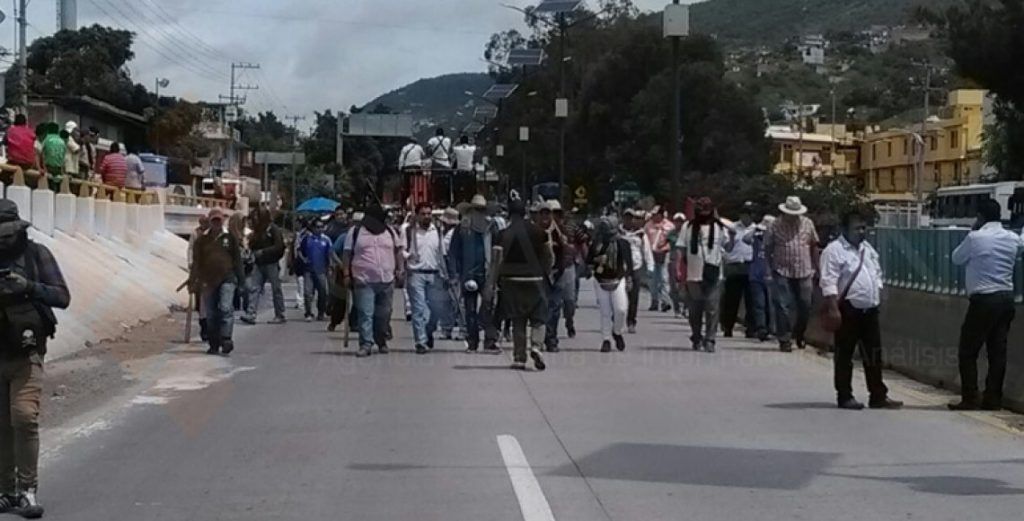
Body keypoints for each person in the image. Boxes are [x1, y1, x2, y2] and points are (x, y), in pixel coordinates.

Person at [0, 200, 70, 519]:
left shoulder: (36, 255)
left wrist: (29, 286)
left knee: (24, 417)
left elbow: (62, 296)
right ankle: (7, 491)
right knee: (2, 425)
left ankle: (28, 489)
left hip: (26, 353)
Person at [819, 211, 903, 411]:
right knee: (845, 355)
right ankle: (845, 395)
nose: (861, 231)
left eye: (864, 227)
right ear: (844, 229)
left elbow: (876, 273)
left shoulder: (867, 249)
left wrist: (879, 294)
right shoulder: (834, 250)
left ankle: (878, 395)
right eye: (857, 228)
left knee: (873, 355)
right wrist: (833, 309)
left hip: (869, 310)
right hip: (848, 309)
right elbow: (828, 281)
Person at [949, 199, 1024, 411]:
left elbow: (956, 258)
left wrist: (974, 231)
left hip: (983, 301)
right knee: (997, 352)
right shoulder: (1012, 238)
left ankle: (970, 398)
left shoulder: (975, 237)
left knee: (968, 351)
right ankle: (993, 399)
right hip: (1006, 299)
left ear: (980, 217)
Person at [493, 199, 551, 371]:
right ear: (525, 212)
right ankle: (536, 346)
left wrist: (494, 282)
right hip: (535, 281)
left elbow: (496, 260)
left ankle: (519, 357)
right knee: (538, 318)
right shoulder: (539, 232)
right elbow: (548, 256)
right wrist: (545, 273)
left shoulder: (503, 234)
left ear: (509, 214)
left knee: (518, 319)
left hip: (511, 282)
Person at [343, 204, 403, 357]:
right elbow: (347, 254)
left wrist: (400, 269)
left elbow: (398, 250)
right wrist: (346, 274)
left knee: (384, 314)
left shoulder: (389, 231)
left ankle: (381, 340)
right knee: (365, 313)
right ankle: (366, 344)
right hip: (363, 279)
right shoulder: (355, 232)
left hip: (387, 279)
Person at [765, 196, 820, 352]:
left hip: (804, 270)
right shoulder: (774, 225)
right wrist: (768, 269)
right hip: (782, 269)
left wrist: (818, 268)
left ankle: (799, 333)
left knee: (805, 305)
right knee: (782, 306)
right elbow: (768, 248)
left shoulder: (807, 223)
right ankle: (784, 338)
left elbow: (814, 245)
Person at [677, 197, 730, 353]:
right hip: (694, 274)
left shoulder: (719, 227)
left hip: (714, 274)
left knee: (712, 308)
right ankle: (696, 335)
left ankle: (710, 339)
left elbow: (728, 244)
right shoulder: (688, 226)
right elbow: (680, 248)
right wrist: (679, 269)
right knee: (695, 310)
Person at [449, 195, 500, 354]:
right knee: (470, 309)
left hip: (487, 273)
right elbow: (453, 252)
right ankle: (472, 341)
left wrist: (497, 272)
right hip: (468, 274)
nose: (478, 213)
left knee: (489, 307)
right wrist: (454, 274)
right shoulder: (462, 228)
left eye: (481, 210)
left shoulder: (492, 227)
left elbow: (498, 250)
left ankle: (490, 340)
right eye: (476, 210)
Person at [193, 208, 243, 356]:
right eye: (213, 220)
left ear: (222, 221)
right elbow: (197, 262)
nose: (216, 223)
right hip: (208, 281)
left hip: (227, 278)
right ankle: (214, 343)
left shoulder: (230, 238)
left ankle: (226, 339)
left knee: (226, 308)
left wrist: (241, 281)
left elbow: (237, 260)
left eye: (218, 220)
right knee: (211, 313)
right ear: (209, 221)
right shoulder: (202, 240)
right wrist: (193, 281)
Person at [405, 202, 446, 354]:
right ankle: (420, 342)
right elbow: (401, 249)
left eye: (429, 213)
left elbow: (441, 252)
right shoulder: (409, 231)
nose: (427, 216)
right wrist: (408, 256)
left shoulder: (438, 231)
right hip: (416, 274)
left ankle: (428, 331)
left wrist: (445, 272)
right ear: (417, 215)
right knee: (418, 310)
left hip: (434, 274)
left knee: (436, 310)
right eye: (423, 214)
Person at [588, 218, 633, 352]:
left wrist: (629, 278)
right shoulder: (597, 243)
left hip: (618, 279)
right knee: (605, 311)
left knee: (621, 309)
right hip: (601, 279)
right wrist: (597, 259)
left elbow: (628, 263)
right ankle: (606, 339)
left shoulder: (623, 243)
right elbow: (588, 260)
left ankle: (617, 331)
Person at [244, 208, 287, 324]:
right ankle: (251, 314)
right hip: (259, 263)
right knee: (254, 289)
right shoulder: (258, 231)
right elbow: (253, 246)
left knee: (276, 289)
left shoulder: (273, 229)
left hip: (271, 263)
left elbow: (279, 246)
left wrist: (263, 251)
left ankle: (280, 314)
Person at [539, 200, 571, 353]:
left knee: (555, 308)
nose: (546, 216)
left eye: (549, 213)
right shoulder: (535, 231)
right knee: (541, 308)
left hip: (557, 274)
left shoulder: (560, 231)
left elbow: (566, 252)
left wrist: (559, 270)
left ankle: (551, 339)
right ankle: (539, 339)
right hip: (540, 275)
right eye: (543, 213)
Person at [720, 202, 756, 338]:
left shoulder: (757, 229)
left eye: (750, 213)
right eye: (745, 213)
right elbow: (726, 247)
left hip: (749, 265)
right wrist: (731, 237)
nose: (747, 216)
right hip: (734, 265)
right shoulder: (732, 227)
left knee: (751, 300)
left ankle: (751, 328)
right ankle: (728, 326)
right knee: (731, 299)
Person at [621, 209, 654, 334]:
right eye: (627, 218)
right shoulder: (618, 232)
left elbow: (647, 251)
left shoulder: (640, 234)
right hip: (621, 268)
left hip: (636, 267)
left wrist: (650, 266)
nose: (629, 220)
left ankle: (631, 321)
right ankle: (617, 320)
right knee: (619, 296)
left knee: (633, 297)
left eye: (632, 218)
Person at [744, 215, 775, 341]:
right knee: (759, 304)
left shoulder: (775, 240)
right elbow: (745, 239)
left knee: (771, 305)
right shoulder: (756, 238)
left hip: (771, 276)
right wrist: (756, 228)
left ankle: (770, 328)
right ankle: (761, 328)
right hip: (756, 275)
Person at [299, 220, 332, 322]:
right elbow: (300, 250)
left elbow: (330, 253)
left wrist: (330, 266)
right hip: (308, 270)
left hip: (321, 270)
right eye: (317, 227)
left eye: (321, 227)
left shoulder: (326, 240)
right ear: (313, 228)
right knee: (307, 292)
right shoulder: (307, 239)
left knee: (323, 293)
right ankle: (308, 313)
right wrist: (304, 259)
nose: (319, 229)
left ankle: (321, 313)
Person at [438, 208, 463, 340]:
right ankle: (447, 328)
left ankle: (457, 329)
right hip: (449, 271)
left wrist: (451, 274)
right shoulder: (445, 233)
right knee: (449, 302)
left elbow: (448, 255)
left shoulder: (452, 234)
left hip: (452, 272)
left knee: (454, 302)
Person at [644, 207, 675, 312]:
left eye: (656, 214)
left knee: (664, 278)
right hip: (651, 255)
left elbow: (673, 240)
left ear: (661, 215)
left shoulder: (669, 226)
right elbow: (644, 239)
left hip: (664, 254)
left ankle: (665, 301)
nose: (653, 216)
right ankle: (654, 301)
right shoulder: (648, 225)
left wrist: (665, 249)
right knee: (652, 279)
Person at [667, 213, 687, 318]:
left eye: (681, 221)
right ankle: (677, 309)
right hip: (674, 260)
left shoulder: (688, 233)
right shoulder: (671, 233)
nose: (679, 223)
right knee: (674, 286)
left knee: (686, 286)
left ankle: (686, 308)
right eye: (677, 221)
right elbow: (664, 243)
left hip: (686, 262)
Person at [452, 136, 477, 203]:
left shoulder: (457, 149)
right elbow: (474, 145)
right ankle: (471, 200)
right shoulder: (471, 149)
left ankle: (456, 201)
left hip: (460, 173)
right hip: (469, 172)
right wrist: (471, 140)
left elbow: (453, 146)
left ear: (460, 142)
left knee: (456, 189)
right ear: (467, 142)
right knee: (471, 189)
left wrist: (457, 140)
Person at [40, 125, 66, 190]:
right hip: (58, 169)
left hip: (48, 167)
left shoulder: (46, 139)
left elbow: (40, 152)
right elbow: (63, 157)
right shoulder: (62, 141)